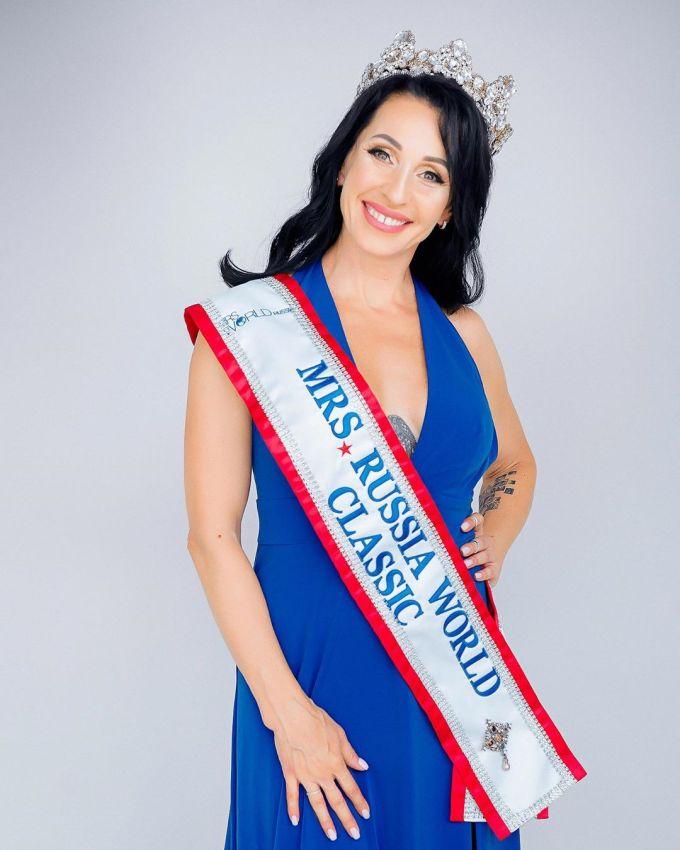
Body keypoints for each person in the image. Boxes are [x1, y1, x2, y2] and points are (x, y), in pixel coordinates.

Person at [183, 32, 575, 849]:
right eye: (382, 153)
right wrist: (288, 716)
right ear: (342, 161)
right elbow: (212, 539)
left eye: (431, 174)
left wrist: (495, 536)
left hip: (447, 684)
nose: (397, 189)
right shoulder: (249, 332)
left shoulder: (466, 337)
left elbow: (516, 462)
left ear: (450, 207)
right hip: (304, 683)